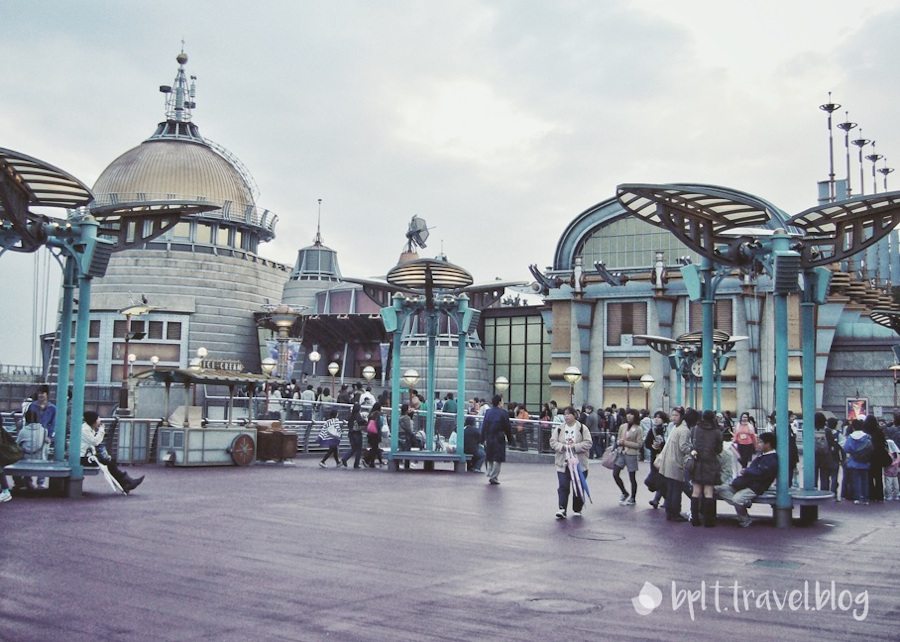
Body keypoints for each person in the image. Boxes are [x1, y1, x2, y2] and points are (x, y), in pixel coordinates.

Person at [715, 432, 778, 528]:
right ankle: (745, 502)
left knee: (737, 499)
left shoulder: (771, 459)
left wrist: (747, 471)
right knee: (720, 489)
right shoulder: (762, 456)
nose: (758, 444)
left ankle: (745, 519)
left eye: (761, 442)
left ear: (768, 444)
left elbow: (761, 474)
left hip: (756, 486)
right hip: (745, 484)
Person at [81, 411, 144, 493]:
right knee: (109, 464)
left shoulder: (88, 429)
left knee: (109, 463)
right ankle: (127, 482)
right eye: (97, 419)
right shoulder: (85, 430)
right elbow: (95, 442)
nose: (99, 421)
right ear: (93, 421)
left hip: (87, 456)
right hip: (83, 458)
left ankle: (126, 482)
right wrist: (101, 431)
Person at [550, 406, 592, 519]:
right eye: (565, 414)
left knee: (578, 486)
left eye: (569, 414)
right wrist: (562, 447)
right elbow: (553, 442)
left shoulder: (582, 428)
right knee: (563, 485)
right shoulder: (559, 429)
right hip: (563, 462)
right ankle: (562, 508)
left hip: (579, 463)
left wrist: (574, 447)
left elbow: (588, 443)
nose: (566, 416)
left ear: (575, 415)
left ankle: (577, 508)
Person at [657, 406, 691, 522]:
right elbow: (684, 447)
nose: (674, 417)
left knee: (671, 488)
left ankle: (670, 512)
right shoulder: (684, 430)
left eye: (676, 415)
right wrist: (692, 450)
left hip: (669, 461)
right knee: (676, 489)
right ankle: (675, 512)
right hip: (676, 462)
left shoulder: (675, 429)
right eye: (673, 415)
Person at [690, 409, 723, 527]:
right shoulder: (717, 431)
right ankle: (708, 520)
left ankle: (695, 519)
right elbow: (719, 450)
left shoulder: (695, 429)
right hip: (711, 463)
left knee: (696, 491)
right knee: (708, 492)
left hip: (697, 462)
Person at [25, 385, 56, 489]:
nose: (40, 395)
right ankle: (28, 480)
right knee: (28, 456)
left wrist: (50, 437)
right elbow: (27, 420)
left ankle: (40, 481)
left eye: (42, 393)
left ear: (47, 394)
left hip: (45, 435)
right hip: (33, 432)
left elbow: (54, 424)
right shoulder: (32, 406)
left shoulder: (52, 408)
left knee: (43, 457)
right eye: (39, 393)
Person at [481, 394, 514, 485]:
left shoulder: (488, 412)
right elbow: (507, 427)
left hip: (489, 436)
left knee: (490, 456)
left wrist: (482, 438)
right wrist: (510, 439)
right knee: (498, 458)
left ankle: (490, 472)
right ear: (499, 402)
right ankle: (494, 476)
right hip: (499, 437)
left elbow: (484, 426)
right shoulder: (503, 413)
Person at [612, 409, 642, 506]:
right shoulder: (622, 426)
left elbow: (639, 444)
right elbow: (618, 438)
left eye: (631, 414)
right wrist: (618, 442)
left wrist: (625, 442)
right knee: (615, 473)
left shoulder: (638, 429)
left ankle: (633, 497)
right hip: (621, 452)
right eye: (628, 414)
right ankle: (624, 492)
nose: (629, 416)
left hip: (631, 454)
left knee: (632, 477)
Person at [646, 410, 668, 508]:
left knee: (662, 479)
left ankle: (657, 499)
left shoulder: (667, 430)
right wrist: (652, 446)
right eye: (655, 417)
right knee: (653, 479)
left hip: (665, 457)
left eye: (659, 417)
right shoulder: (653, 430)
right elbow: (646, 443)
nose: (656, 419)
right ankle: (665, 498)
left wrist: (661, 445)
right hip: (655, 457)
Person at [340, 403, 366, 468]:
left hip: (351, 433)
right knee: (359, 449)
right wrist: (365, 421)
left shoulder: (351, 415)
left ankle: (345, 458)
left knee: (353, 448)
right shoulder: (358, 415)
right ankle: (356, 464)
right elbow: (361, 421)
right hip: (357, 433)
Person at [363, 402, 385, 467]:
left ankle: (371, 462)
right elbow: (377, 424)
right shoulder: (377, 414)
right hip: (375, 433)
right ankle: (367, 460)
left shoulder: (371, 414)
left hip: (370, 433)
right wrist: (379, 433)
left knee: (374, 448)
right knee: (374, 448)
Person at [397, 403, 417, 469]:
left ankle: (399, 463)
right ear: (406, 410)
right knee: (407, 450)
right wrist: (412, 434)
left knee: (401, 449)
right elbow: (408, 428)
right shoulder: (406, 418)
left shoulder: (399, 417)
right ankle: (406, 465)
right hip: (405, 434)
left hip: (399, 434)